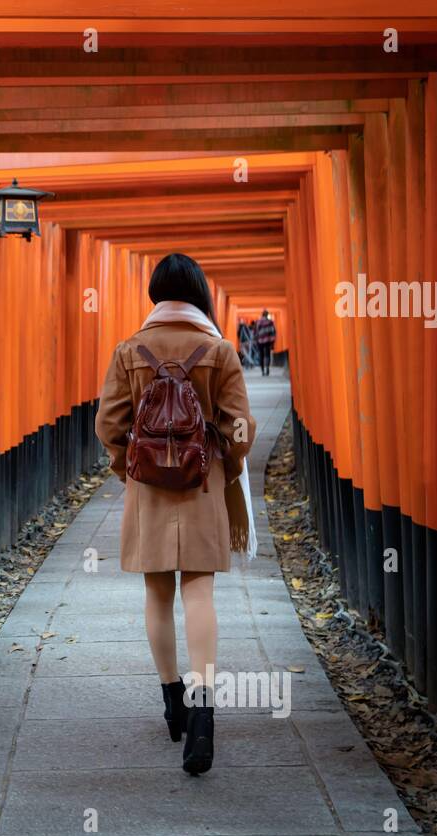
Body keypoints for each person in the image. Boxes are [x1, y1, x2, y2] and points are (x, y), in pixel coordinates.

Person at [94, 252, 256, 775]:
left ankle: (172, 702)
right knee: (200, 591)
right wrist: (223, 468)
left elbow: (108, 426)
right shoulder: (219, 350)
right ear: (199, 294)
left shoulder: (128, 351)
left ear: (155, 295)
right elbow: (240, 429)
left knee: (157, 593)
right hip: (202, 485)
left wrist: (130, 470)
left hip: (149, 490)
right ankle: (204, 712)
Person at [254, 308, 276, 376]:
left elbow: (256, 332)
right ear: (267, 315)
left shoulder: (258, 322)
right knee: (267, 355)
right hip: (268, 341)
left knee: (261, 355)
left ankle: (262, 371)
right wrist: (273, 341)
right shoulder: (270, 322)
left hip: (260, 341)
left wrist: (256, 339)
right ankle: (267, 368)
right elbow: (273, 331)